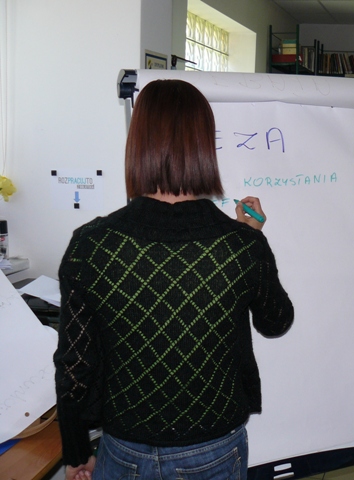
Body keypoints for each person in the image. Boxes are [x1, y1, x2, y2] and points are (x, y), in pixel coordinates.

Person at [53, 79, 294, 480]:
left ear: (137, 145)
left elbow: (74, 365)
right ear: (203, 147)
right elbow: (276, 322)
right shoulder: (240, 245)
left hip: (123, 450)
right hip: (214, 451)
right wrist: (253, 239)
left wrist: (76, 453)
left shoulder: (91, 244)